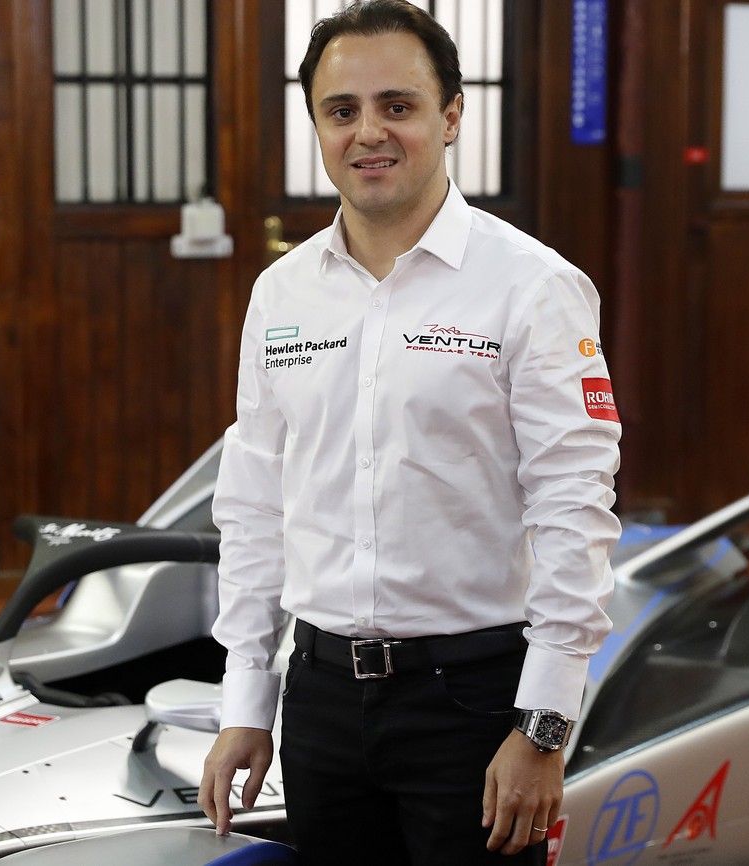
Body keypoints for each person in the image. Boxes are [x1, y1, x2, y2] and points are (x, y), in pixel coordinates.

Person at [200, 1, 621, 862]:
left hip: (472, 705)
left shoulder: (533, 286)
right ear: (317, 124)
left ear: (451, 115)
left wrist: (543, 725)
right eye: (341, 110)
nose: (369, 134)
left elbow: (575, 505)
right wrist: (247, 700)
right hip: (317, 702)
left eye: (398, 105)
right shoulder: (282, 295)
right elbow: (252, 505)